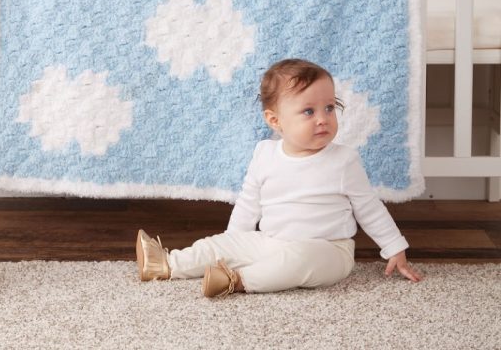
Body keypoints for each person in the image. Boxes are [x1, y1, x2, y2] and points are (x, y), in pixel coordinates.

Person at [136, 58, 423, 298]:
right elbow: (249, 203)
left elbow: (369, 207)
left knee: (297, 262)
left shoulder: (343, 160)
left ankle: (237, 280)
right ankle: (167, 265)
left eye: (329, 107)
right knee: (218, 245)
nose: (322, 118)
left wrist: (394, 247)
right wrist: (233, 242)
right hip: (271, 240)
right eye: (308, 111)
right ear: (275, 121)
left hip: (328, 250)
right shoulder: (265, 154)